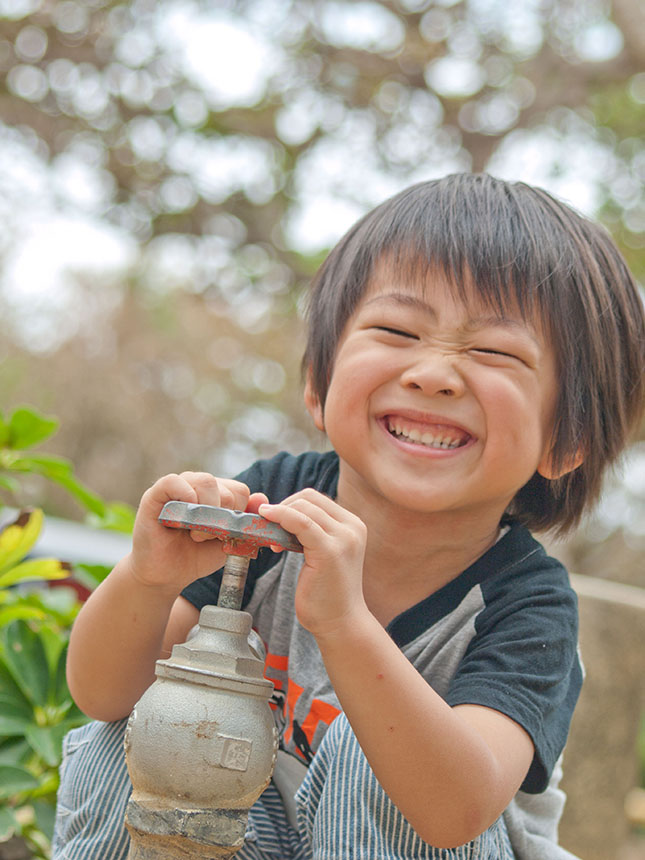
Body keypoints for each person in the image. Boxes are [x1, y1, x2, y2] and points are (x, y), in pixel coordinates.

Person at [53, 173, 645, 860]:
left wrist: (344, 625)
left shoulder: (526, 608)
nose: (433, 373)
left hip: (437, 841)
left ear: (566, 438)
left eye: (492, 351)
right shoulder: (268, 506)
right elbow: (102, 694)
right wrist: (147, 581)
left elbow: (452, 811)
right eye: (396, 330)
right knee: (129, 731)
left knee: (369, 754)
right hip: (262, 835)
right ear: (317, 385)